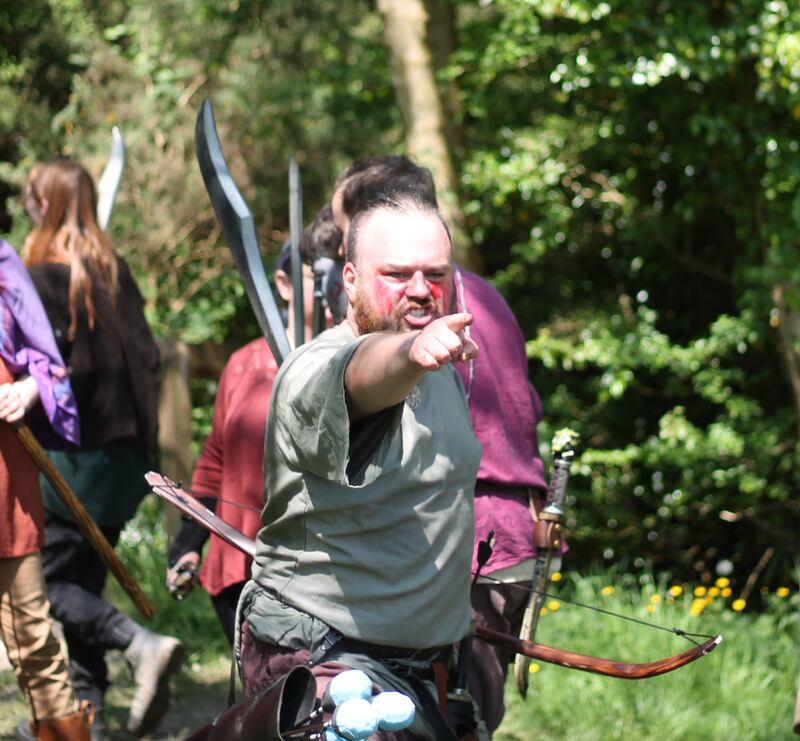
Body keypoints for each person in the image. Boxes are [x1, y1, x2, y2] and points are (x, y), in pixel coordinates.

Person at [239, 194, 482, 740]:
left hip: (423, 667)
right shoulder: (314, 368)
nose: (420, 288)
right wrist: (408, 352)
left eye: (435, 274)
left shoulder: (442, 368)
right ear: (349, 280)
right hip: (322, 660)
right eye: (396, 274)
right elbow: (364, 373)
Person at [329, 156, 550, 736]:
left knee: (443, 722)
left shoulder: (412, 311)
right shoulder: (490, 297)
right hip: (512, 531)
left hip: (459, 538)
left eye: (345, 229)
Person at [21, 159, 183, 739]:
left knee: (36, 585)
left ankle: (138, 645)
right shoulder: (117, 275)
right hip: (127, 465)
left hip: (77, 462)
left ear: (47, 205)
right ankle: (80, 717)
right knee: (81, 585)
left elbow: (43, 374)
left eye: (30, 198)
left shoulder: (40, 281)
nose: (24, 207)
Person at [165, 233, 337, 645]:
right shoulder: (244, 363)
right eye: (317, 279)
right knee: (263, 704)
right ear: (284, 284)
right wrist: (189, 543)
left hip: (324, 579)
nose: (332, 292)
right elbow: (215, 459)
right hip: (240, 572)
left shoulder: (358, 364)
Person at [0, 239, 92, 740]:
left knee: (32, 636)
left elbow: (48, 363)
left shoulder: (1, 261)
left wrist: (27, 389)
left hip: (5, 478)